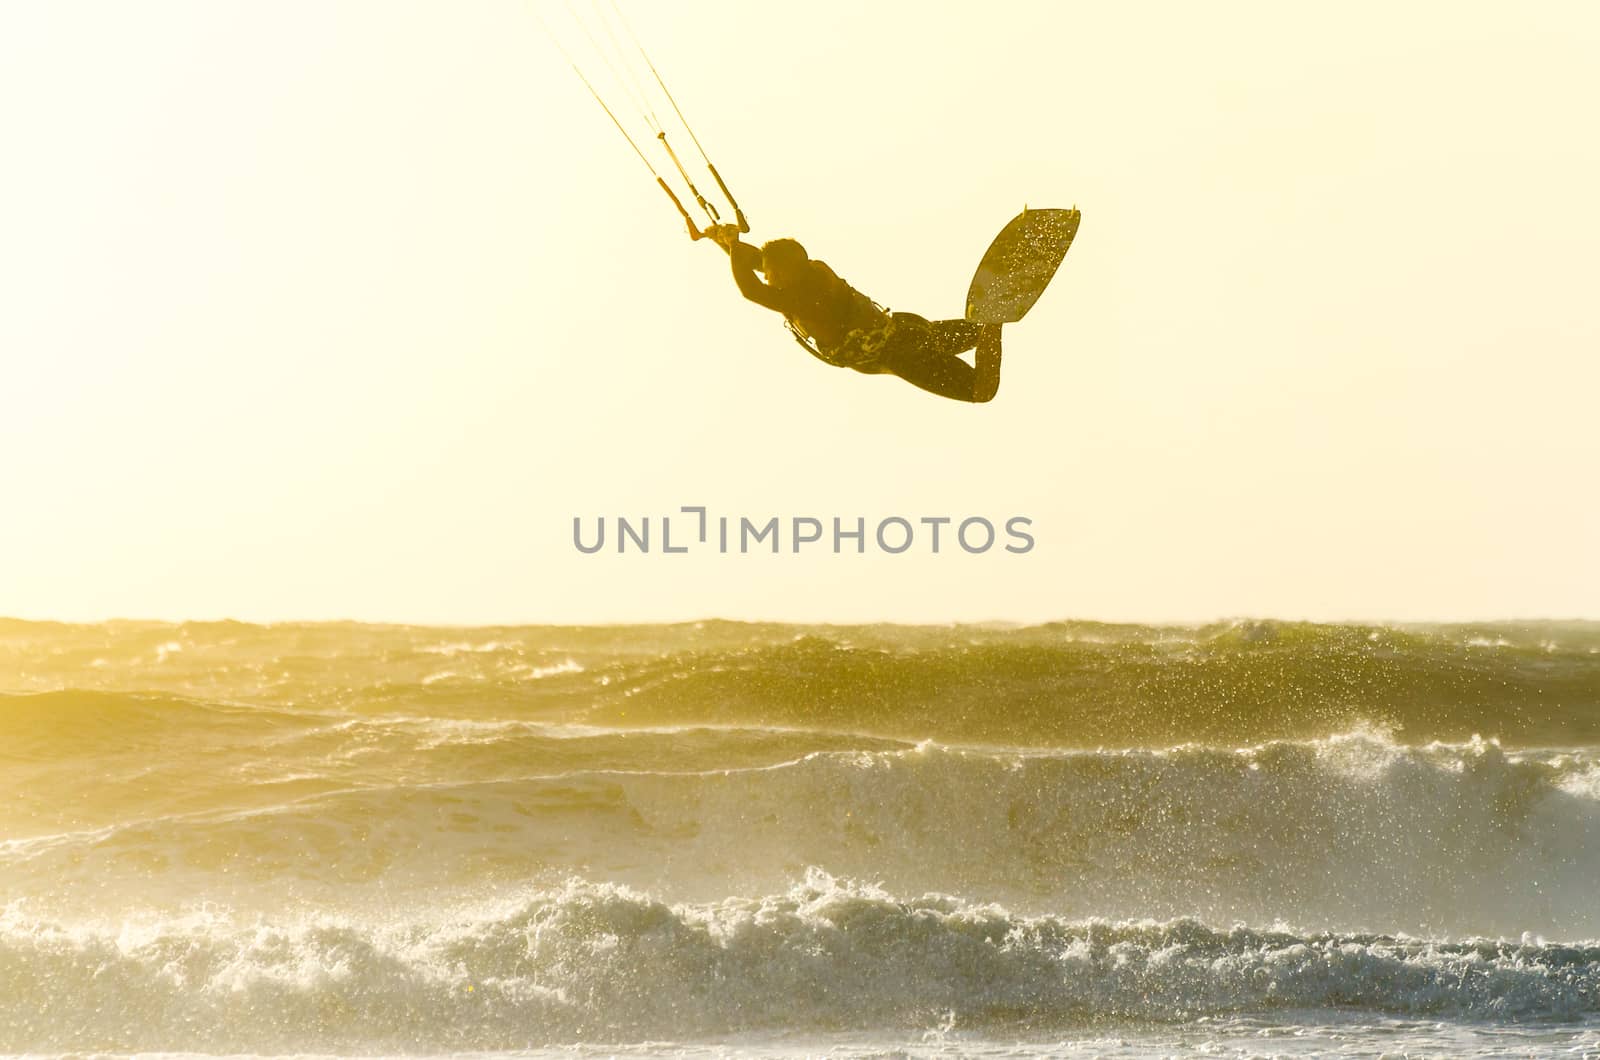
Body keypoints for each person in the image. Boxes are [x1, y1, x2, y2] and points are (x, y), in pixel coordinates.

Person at [703, 224, 1003, 403]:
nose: (769, 280)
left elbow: (751, 290)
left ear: (788, 272)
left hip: (901, 353)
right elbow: (757, 262)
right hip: (903, 329)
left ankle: (997, 318)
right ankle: (993, 321)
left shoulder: (801, 298)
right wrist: (729, 244)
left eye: (773, 275)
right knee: (978, 332)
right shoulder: (811, 270)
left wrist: (732, 244)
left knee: (981, 389)